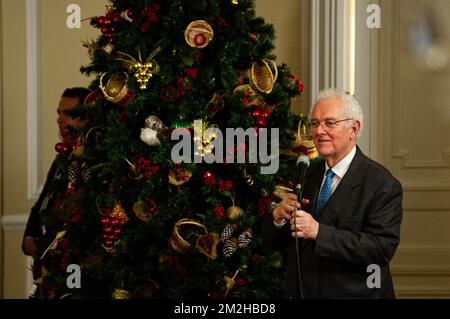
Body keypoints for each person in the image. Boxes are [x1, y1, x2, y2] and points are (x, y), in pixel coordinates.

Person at [263, 88, 403, 299]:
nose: (319, 131)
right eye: (315, 123)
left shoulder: (382, 184)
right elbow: (280, 243)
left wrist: (319, 232)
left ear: (353, 129)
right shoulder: (306, 174)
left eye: (329, 123)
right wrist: (278, 218)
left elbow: (380, 249)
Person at [22, 87, 91, 265]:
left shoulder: (96, 159)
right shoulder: (62, 157)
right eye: (59, 113)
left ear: (86, 117)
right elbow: (43, 201)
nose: (59, 120)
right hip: (48, 258)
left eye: (68, 114)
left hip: (77, 260)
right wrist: (30, 237)